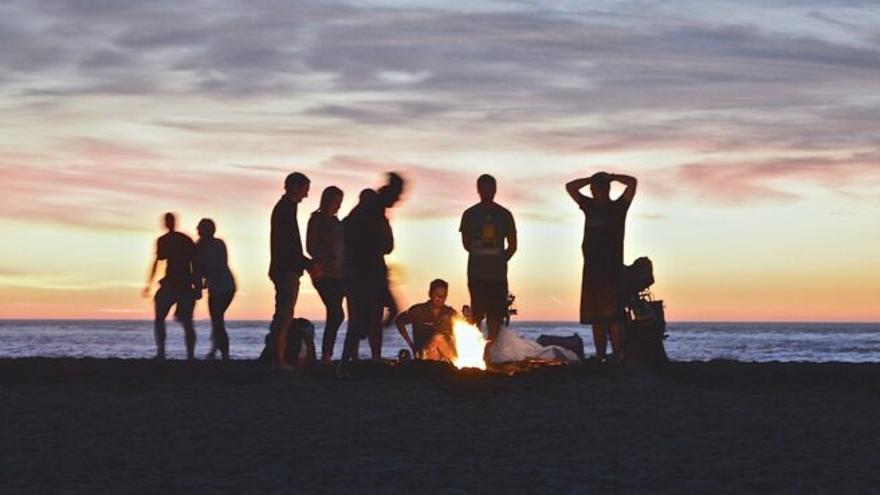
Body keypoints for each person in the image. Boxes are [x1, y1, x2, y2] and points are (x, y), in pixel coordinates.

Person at [566, 171, 637, 361]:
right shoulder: (588, 206)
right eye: (593, 189)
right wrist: (590, 179)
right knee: (596, 319)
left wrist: (612, 176)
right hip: (591, 270)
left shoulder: (618, 207)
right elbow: (570, 187)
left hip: (612, 270)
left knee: (614, 319)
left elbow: (632, 182)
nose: (594, 192)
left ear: (606, 189)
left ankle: (617, 355)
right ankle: (600, 356)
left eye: (597, 189)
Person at [340, 174, 405, 368]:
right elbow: (385, 245)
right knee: (364, 321)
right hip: (365, 272)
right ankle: (345, 362)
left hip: (368, 271)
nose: (399, 200)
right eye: (398, 195)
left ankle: (350, 358)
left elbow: (385, 245)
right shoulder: (372, 209)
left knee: (373, 316)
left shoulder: (371, 211)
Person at [268, 172, 322, 370]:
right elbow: (289, 245)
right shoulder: (285, 209)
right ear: (294, 187)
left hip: (284, 267)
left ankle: (277, 358)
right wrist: (306, 264)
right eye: (305, 190)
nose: (306, 195)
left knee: (282, 314)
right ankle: (279, 360)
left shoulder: (286, 208)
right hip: (286, 269)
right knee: (285, 315)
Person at [459, 174, 517, 343]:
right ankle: (476, 346)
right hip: (476, 273)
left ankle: (490, 348)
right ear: (478, 190)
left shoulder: (505, 214)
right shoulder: (469, 214)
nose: (487, 192)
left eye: (490, 188)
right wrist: (483, 254)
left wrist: (500, 260)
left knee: (496, 314)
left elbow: (513, 246)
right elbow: (466, 243)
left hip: (497, 275)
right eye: (483, 188)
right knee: (477, 313)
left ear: (495, 190)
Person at [142, 212, 197, 360]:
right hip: (173, 283)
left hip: (182, 284)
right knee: (163, 318)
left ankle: (185, 354)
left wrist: (197, 284)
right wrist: (149, 283)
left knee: (184, 322)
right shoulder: (167, 240)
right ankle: (163, 352)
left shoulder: (182, 239)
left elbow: (195, 262)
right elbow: (158, 261)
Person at [306, 186, 345, 364]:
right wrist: (325, 260)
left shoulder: (338, 224)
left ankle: (327, 355)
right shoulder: (316, 220)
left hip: (339, 274)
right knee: (336, 313)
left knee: (334, 313)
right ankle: (326, 355)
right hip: (323, 273)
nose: (338, 205)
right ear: (327, 200)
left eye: (340, 202)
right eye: (336, 201)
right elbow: (311, 246)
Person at [193, 218, 236, 360]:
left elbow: (219, 264)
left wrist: (200, 285)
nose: (197, 230)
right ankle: (215, 351)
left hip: (225, 286)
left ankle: (224, 354)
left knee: (217, 320)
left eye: (200, 228)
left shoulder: (217, 244)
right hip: (215, 287)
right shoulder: (198, 247)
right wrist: (200, 285)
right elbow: (198, 269)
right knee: (217, 320)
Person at [395, 279, 458, 362]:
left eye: (443, 295)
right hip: (425, 353)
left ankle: (456, 364)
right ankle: (458, 363)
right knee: (438, 338)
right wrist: (411, 344)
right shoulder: (418, 310)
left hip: (445, 354)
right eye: (437, 294)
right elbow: (399, 321)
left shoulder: (450, 313)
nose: (440, 298)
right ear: (430, 294)